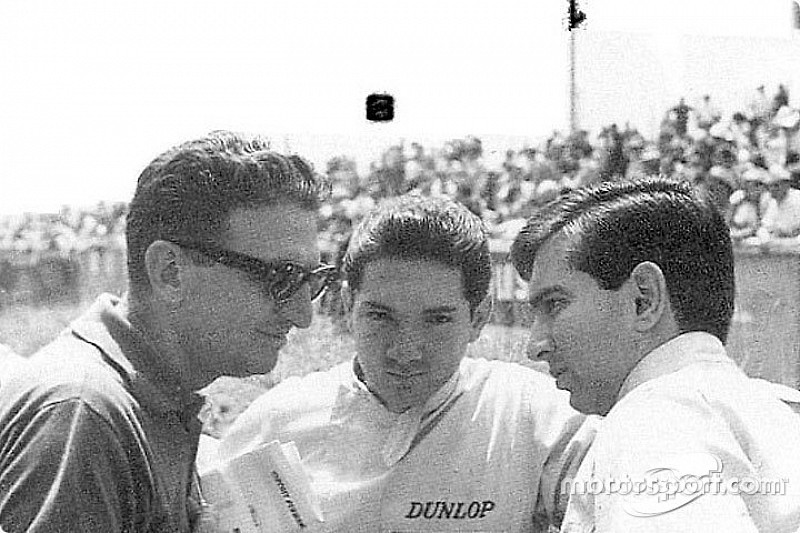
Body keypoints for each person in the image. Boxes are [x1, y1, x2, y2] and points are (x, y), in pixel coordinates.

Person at [0, 131, 334, 533]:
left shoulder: (143, 399)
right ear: (170, 272)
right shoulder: (86, 415)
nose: (303, 315)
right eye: (282, 278)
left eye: (312, 280)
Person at [218, 193, 596, 533]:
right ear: (348, 307)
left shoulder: (532, 414)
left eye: (437, 320)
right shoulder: (277, 422)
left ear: (479, 317)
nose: (405, 351)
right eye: (381, 317)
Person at [510, 176, 800, 531]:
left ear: (643, 299)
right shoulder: (768, 410)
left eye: (554, 304)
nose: (535, 346)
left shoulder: (653, 418)